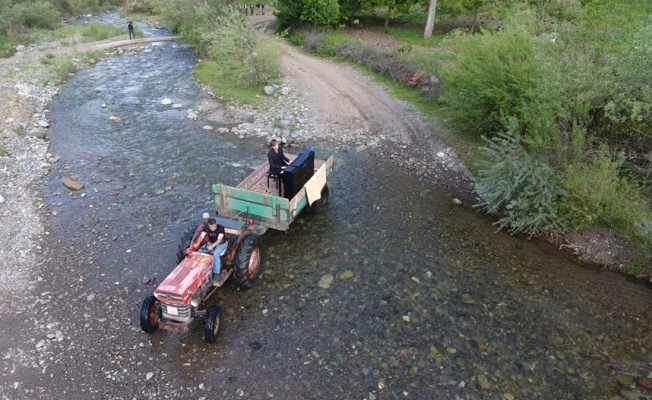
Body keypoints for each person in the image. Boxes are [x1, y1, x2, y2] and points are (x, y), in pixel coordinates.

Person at [198, 218, 229, 286]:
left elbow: (219, 240)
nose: (213, 228)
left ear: (216, 224)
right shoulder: (206, 228)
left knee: (215, 254)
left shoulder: (220, 228)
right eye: (211, 226)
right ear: (208, 225)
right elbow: (201, 236)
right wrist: (197, 243)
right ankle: (200, 268)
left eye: (214, 226)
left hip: (221, 244)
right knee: (199, 251)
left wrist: (212, 246)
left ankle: (216, 273)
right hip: (211, 242)